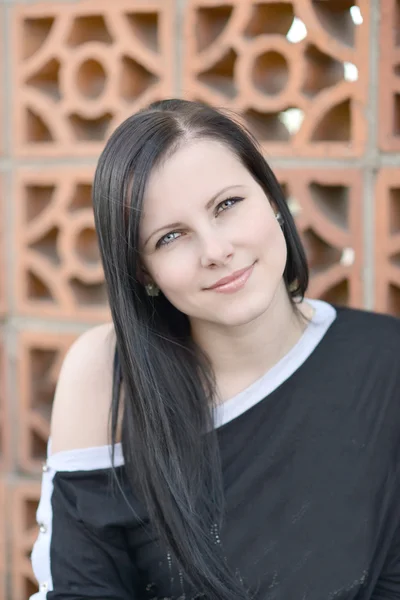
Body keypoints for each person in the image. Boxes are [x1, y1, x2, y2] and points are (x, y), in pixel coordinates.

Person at [30, 99, 400, 600]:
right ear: (144, 273)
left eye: (227, 205)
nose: (215, 251)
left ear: (271, 196)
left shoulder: (384, 363)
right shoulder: (105, 373)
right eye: (170, 237)